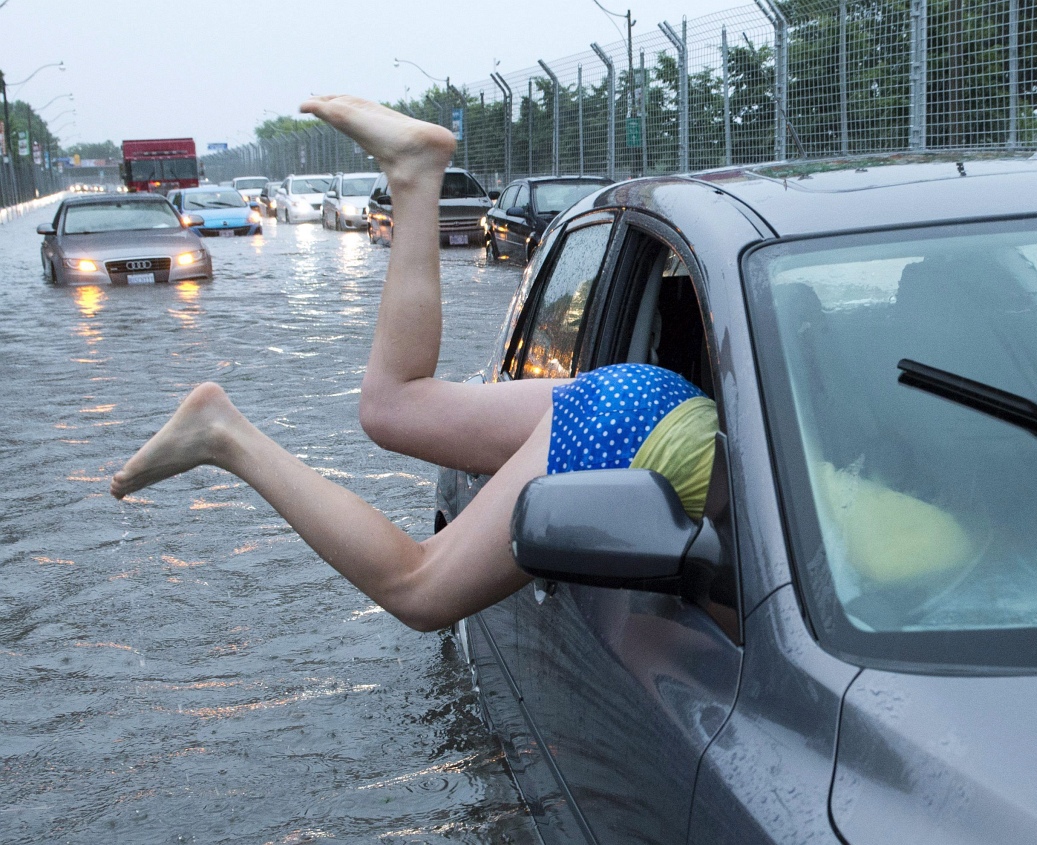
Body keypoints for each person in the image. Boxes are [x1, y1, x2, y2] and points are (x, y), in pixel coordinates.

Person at [111, 95, 717, 633]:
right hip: (643, 433)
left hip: (654, 402)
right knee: (420, 590)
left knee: (392, 406)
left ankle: (415, 176)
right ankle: (226, 439)